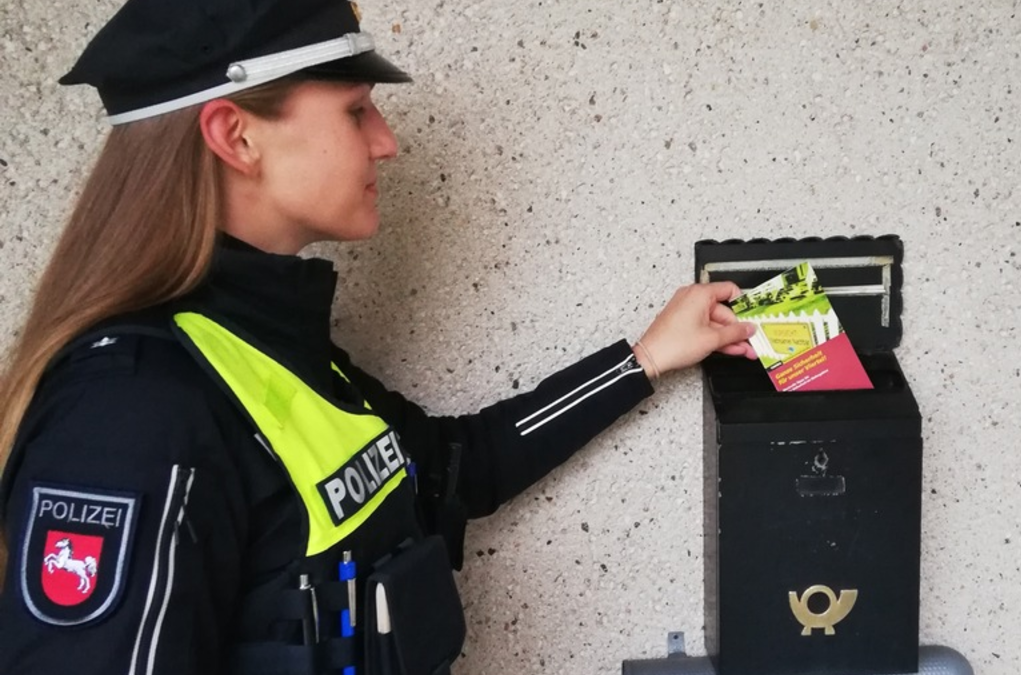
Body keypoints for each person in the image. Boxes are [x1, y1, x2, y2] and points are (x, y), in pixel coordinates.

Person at [0, 0, 757, 673]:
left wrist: (647, 357)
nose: (387, 141)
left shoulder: (268, 345)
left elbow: (458, 466)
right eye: (357, 110)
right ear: (235, 135)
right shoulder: (131, 410)